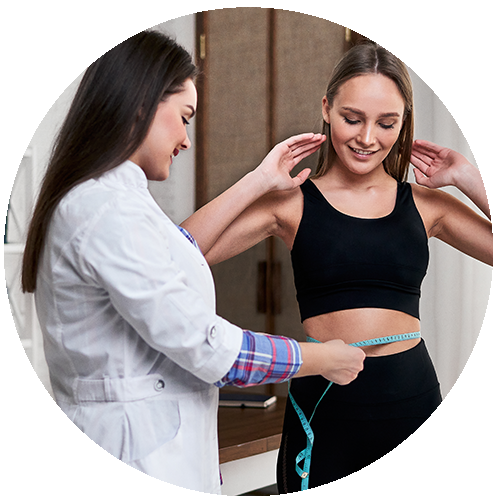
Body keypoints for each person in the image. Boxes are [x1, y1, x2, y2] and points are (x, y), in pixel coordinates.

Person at [20, 31, 366, 494]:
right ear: (141, 104)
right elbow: (212, 350)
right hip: (135, 453)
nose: (186, 139)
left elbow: (178, 251)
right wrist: (321, 357)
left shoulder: (116, 201)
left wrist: (260, 180)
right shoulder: (106, 209)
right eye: (184, 117)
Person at [181, 41, 493, 492]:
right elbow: (173, 254)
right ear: (326, 109)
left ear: (404, 122)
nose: (367, 138)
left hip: (413, 401)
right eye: (352, 118)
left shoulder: (427, 206)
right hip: (325, 403)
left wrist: (468, 177)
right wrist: (257, 181)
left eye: (387, 123)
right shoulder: (291, 204)